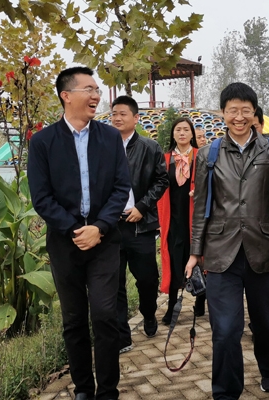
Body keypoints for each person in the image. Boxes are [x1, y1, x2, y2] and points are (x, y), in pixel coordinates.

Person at [185, 82, 269, 399]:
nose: (239, 117)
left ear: (254, 113)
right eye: (232, 110)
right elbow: (201, 208)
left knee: (265, 324)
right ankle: (226, 392)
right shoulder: (207, 155)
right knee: (224, 330)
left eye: (245, 110)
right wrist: (195, 252)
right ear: (223, 113)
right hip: (221, 254)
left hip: (264, 250)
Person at [28, 66, 130, 400]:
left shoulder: (110, 138)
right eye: (89, 89)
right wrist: (76, 230)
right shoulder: (43, 142)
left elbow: (121, 188)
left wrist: (99, 227)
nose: (96, 95)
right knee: (73, 320)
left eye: (97, 89)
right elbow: (41, 197)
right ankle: (84, 389)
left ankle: (108, 391)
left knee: (104, 315)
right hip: (65, 243)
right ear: (66, 95)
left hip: (104, 241)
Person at [111, 95, 169, 353]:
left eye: (122, 114)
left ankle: (148, 312)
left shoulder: (150, 147)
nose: (117, 118)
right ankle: (122, 337)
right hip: (110, 226)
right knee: (114, 284)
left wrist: (142, 207)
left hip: (140, 225)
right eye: (114, 114)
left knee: (147, 279)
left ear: (135, 118)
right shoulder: (103, 147)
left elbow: (161, 180)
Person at [157, 117, 206, 324]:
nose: (182, 133)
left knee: (200, 258)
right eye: (178, 130)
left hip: (196, 218)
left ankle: (201, 299)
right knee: (175, 260)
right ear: (173, 134)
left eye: (186, 129)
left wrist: (201, 191)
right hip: (174, 219)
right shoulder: (165, 159)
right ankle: (171, 307)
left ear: (192, 134)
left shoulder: (201, 156)